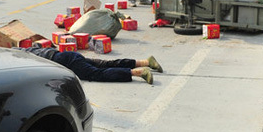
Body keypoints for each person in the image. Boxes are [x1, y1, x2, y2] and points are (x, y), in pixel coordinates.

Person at [19, 46, 162, 84]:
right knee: (104, 64)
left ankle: (139, 72)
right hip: (68, 55)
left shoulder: (19, 59)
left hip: (65, 62)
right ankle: (146, 62)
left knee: (97, 74)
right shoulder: (24, 50)